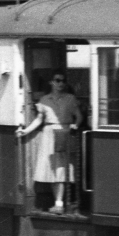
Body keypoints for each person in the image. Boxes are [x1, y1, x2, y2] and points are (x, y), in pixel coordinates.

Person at [19, 73, 85, 214]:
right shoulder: (44, 100)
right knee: (52, 170)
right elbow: (39, 119)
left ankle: (59, 203)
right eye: (57, 80)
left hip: (63, 133)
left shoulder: (70, 98)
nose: (61, 83)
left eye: (63, 80)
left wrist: (75, 125)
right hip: (49, 134)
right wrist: (25, 131)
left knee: (61, 170)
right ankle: (59, 203)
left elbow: (79, 116)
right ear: (51, 82)